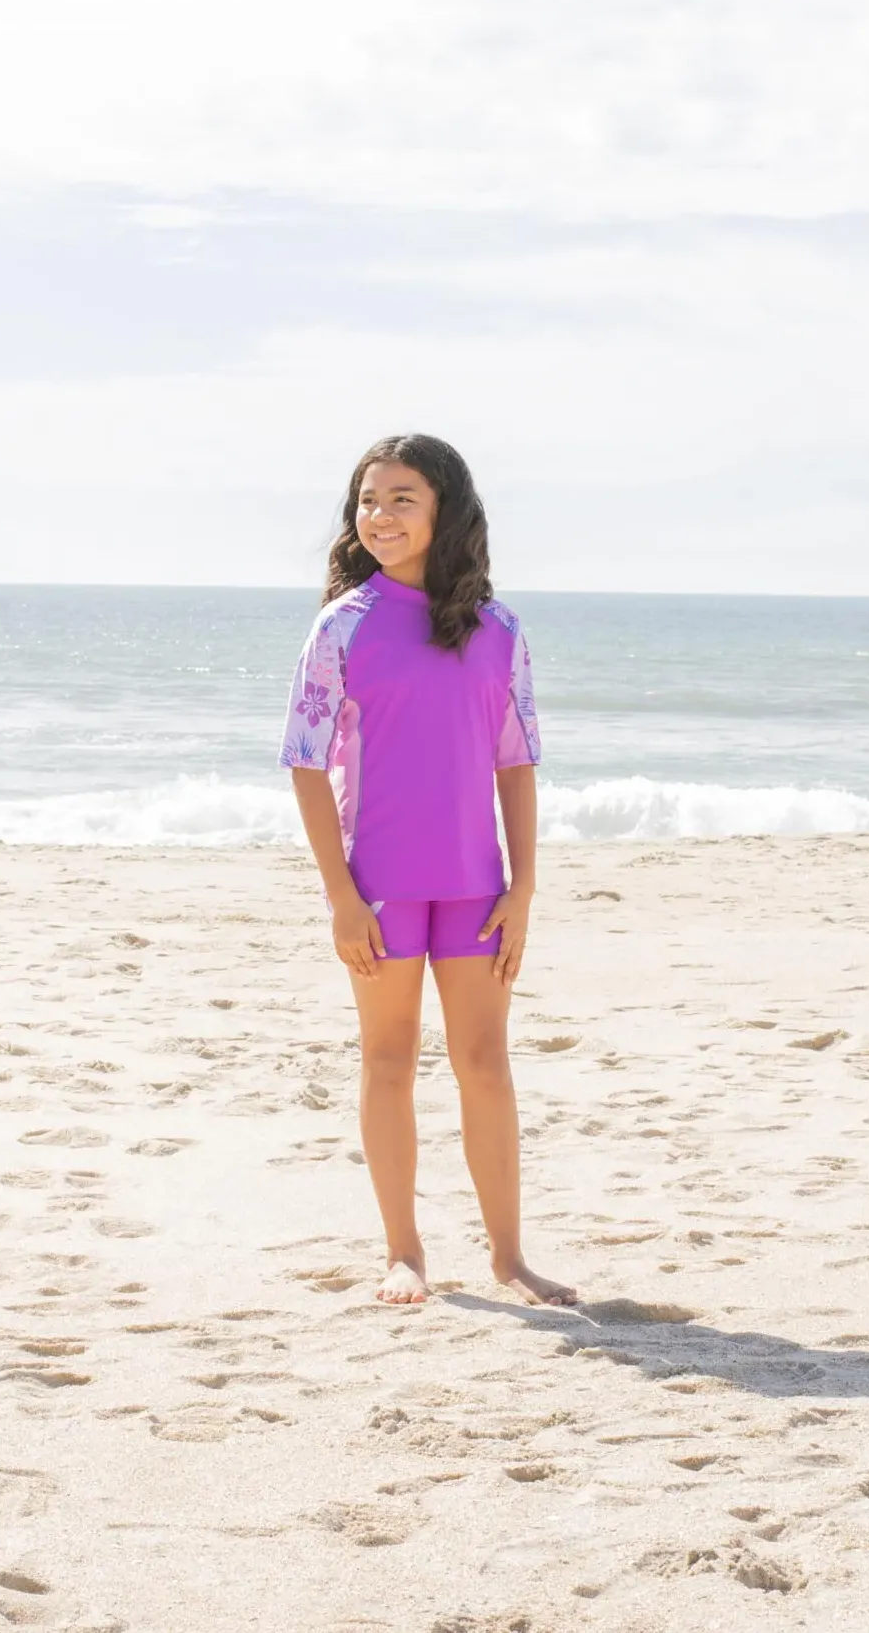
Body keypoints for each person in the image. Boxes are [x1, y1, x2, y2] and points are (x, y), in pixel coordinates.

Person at [280, 434, 578, 1309]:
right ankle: (403, 1253)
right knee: (389, 1060)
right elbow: (304, 762)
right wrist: (340, 897)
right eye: (367, 501)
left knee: (485, 1064)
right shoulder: (342, 626)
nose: (379, 516)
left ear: (445, 509)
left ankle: (509, 1257)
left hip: (477, 888)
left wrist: (523, 889)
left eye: (401, 498)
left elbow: (516, 764)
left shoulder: (500, 629)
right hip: (379, 887)